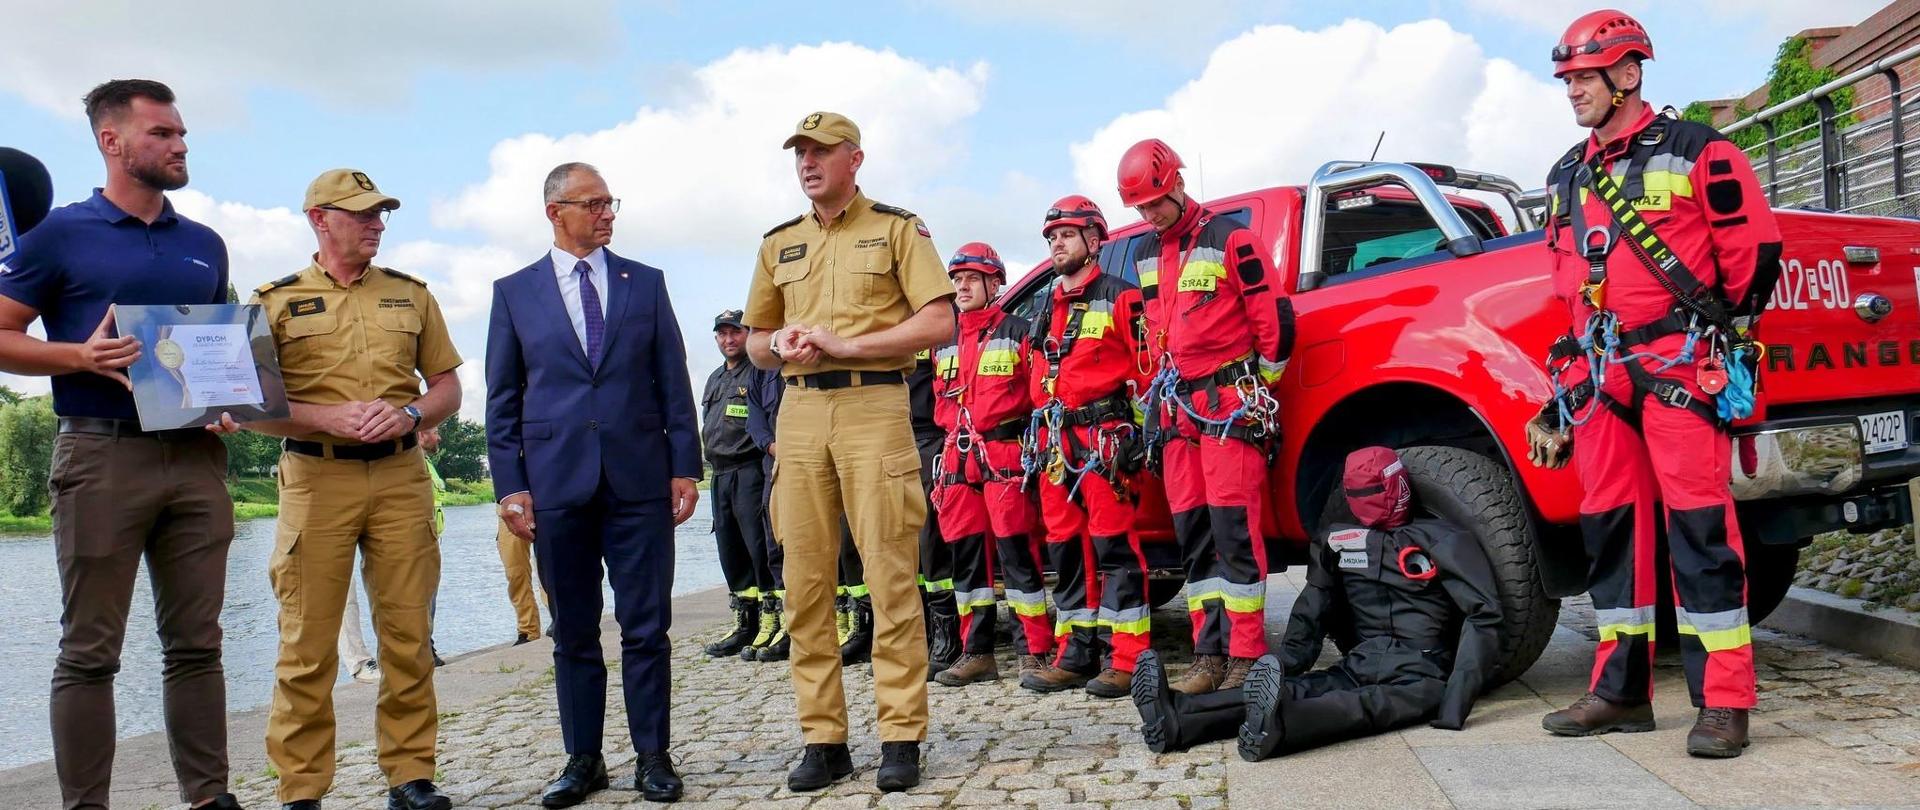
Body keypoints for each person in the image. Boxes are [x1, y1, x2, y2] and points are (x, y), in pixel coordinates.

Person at [1528, 9, 1782, 758]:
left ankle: (1725, 701)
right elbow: (1562, 270)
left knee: (1700, 531)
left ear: (1628, 75)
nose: (1572, 92)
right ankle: (1620, 691)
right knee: (1611, 532)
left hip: (1678, 366)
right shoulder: (1565, 174)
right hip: (1601, 374)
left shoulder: (1700, 150)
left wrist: (1715, 332)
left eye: (1583, 79)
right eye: (1567, 80)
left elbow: (1755, 249)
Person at [0, 78, 243, 810]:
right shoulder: (59, 236)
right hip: (102, 456)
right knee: (89, 653)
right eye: (163, 133)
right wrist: (76, 357)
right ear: (112, 141)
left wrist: (227, 399)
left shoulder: (205, 243)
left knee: (198, 645)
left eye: (181, 133)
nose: (180, 144)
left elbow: (216, 349)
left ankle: (209, 798)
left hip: (196, 461)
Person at [743, 111, 954, 793]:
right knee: (804, 584)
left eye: (821, 152)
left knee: (891, 576)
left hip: (874, 406)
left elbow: (940, 320)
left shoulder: (897, 228)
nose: (807, 163)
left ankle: (900, 735)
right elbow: (755, 340)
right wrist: (781, 347)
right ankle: (824, 738)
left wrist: (847, 345)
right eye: (800, 153)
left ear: (854, 159)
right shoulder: (778, 243)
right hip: (800, 413)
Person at [242, 168, 461, 810]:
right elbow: (250, 404)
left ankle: (411, 776)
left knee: (407, 634)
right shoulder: (273, 302)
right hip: (315, 476)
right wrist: (325, 416)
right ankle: (302, 791)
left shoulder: (412, 294)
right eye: (362, 213)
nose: (376, 224)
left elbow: (447, 386)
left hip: (400, 476)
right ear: (319, 218)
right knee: (307, 644)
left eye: (381, 213)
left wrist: (414, 415)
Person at [485, 162, 698, 804]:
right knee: (572, 632)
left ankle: (652, 756)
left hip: (639, 482)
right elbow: (503, 399)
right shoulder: (515, 292)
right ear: (555, 212)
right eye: (594, 203)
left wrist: (684, 464)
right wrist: (510, 484)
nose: (608, 214)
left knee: (645, 626)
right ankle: (583, 760)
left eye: (611, 203)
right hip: (556, 487)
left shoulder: (646, 283)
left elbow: (673, 380)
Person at [1130, 447, 1502, 759]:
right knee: (1300, 690)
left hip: (1421, 672)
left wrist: (1456, 699)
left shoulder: (1441, 540)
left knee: (1363, 706)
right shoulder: (1341, 541)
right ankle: (1178, 717)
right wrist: (1287, 664)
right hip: (1362, 661)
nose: (1364, 501)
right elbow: (1315, 602)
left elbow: (1483, 615)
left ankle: (1277, 728)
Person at [1123, 138, 1292, 694]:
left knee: (1233, 529)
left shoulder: (1230, 238)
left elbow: (1274, 319)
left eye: (1154, 203)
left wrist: (1256, 390)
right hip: (1177, 412)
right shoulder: (1148, 254)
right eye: (1140, 209)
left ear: (1175, 183)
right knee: (1193, 533)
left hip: (1227, 404)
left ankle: (1246, 652)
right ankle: (1208, 653)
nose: (1149, 215)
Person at [1020, 195, 1151, 699]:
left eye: (1068, 235)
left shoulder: (1123, 297)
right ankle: (1075, 653)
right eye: (1052, 236)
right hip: (1056, 444)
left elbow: (1146, 371)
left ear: (1094, 241)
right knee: (1067, 550)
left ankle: (1128, 657)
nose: (1057, 243)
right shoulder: (1042, 309)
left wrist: (1138, 438)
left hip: (1104, 440)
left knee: (1114, 546)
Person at [927, 242, 1052, 686]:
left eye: (971, 279)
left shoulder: (1019, 331)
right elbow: (936, 403)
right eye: (956, 279)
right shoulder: (941, 340)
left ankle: (1034, 652)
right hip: (958, 459)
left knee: (1018, 555)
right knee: (966, 561)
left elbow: (1040, 398)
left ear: (994, 283)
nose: (961, 286)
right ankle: (976, 652)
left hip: (1004, 452)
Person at [701, 309, 784, 659]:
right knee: (731, 552)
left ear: (748, 334)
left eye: (735, 332)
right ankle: (744, 620)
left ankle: (773, 619)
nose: (728, 340)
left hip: (750, 469)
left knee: (758, 549)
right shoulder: (714, 379)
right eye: (722, 334)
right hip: (720, 474)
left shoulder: (759, 372)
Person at [338, 427, 449, 683]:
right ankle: (359, 661)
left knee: (400, 586)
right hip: (331, 472)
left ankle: (407, 655)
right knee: (338, 585)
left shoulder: (422, 461)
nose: (438, 437)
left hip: (391, 482)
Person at [910, 347, 963, 678]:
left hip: (932, 437)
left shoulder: (939, 323)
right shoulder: (884, 321)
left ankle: (946, 638)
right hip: (893, 437)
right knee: (904, 548)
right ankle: (918, 637)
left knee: (931, 543)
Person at [742, 350, 790, 662]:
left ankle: (835, 623)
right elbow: (755, 416)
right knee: (775, 546)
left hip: (812, 456)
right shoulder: (762, 368)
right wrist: (770, 445)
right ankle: (790, 625)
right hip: (774, 463)